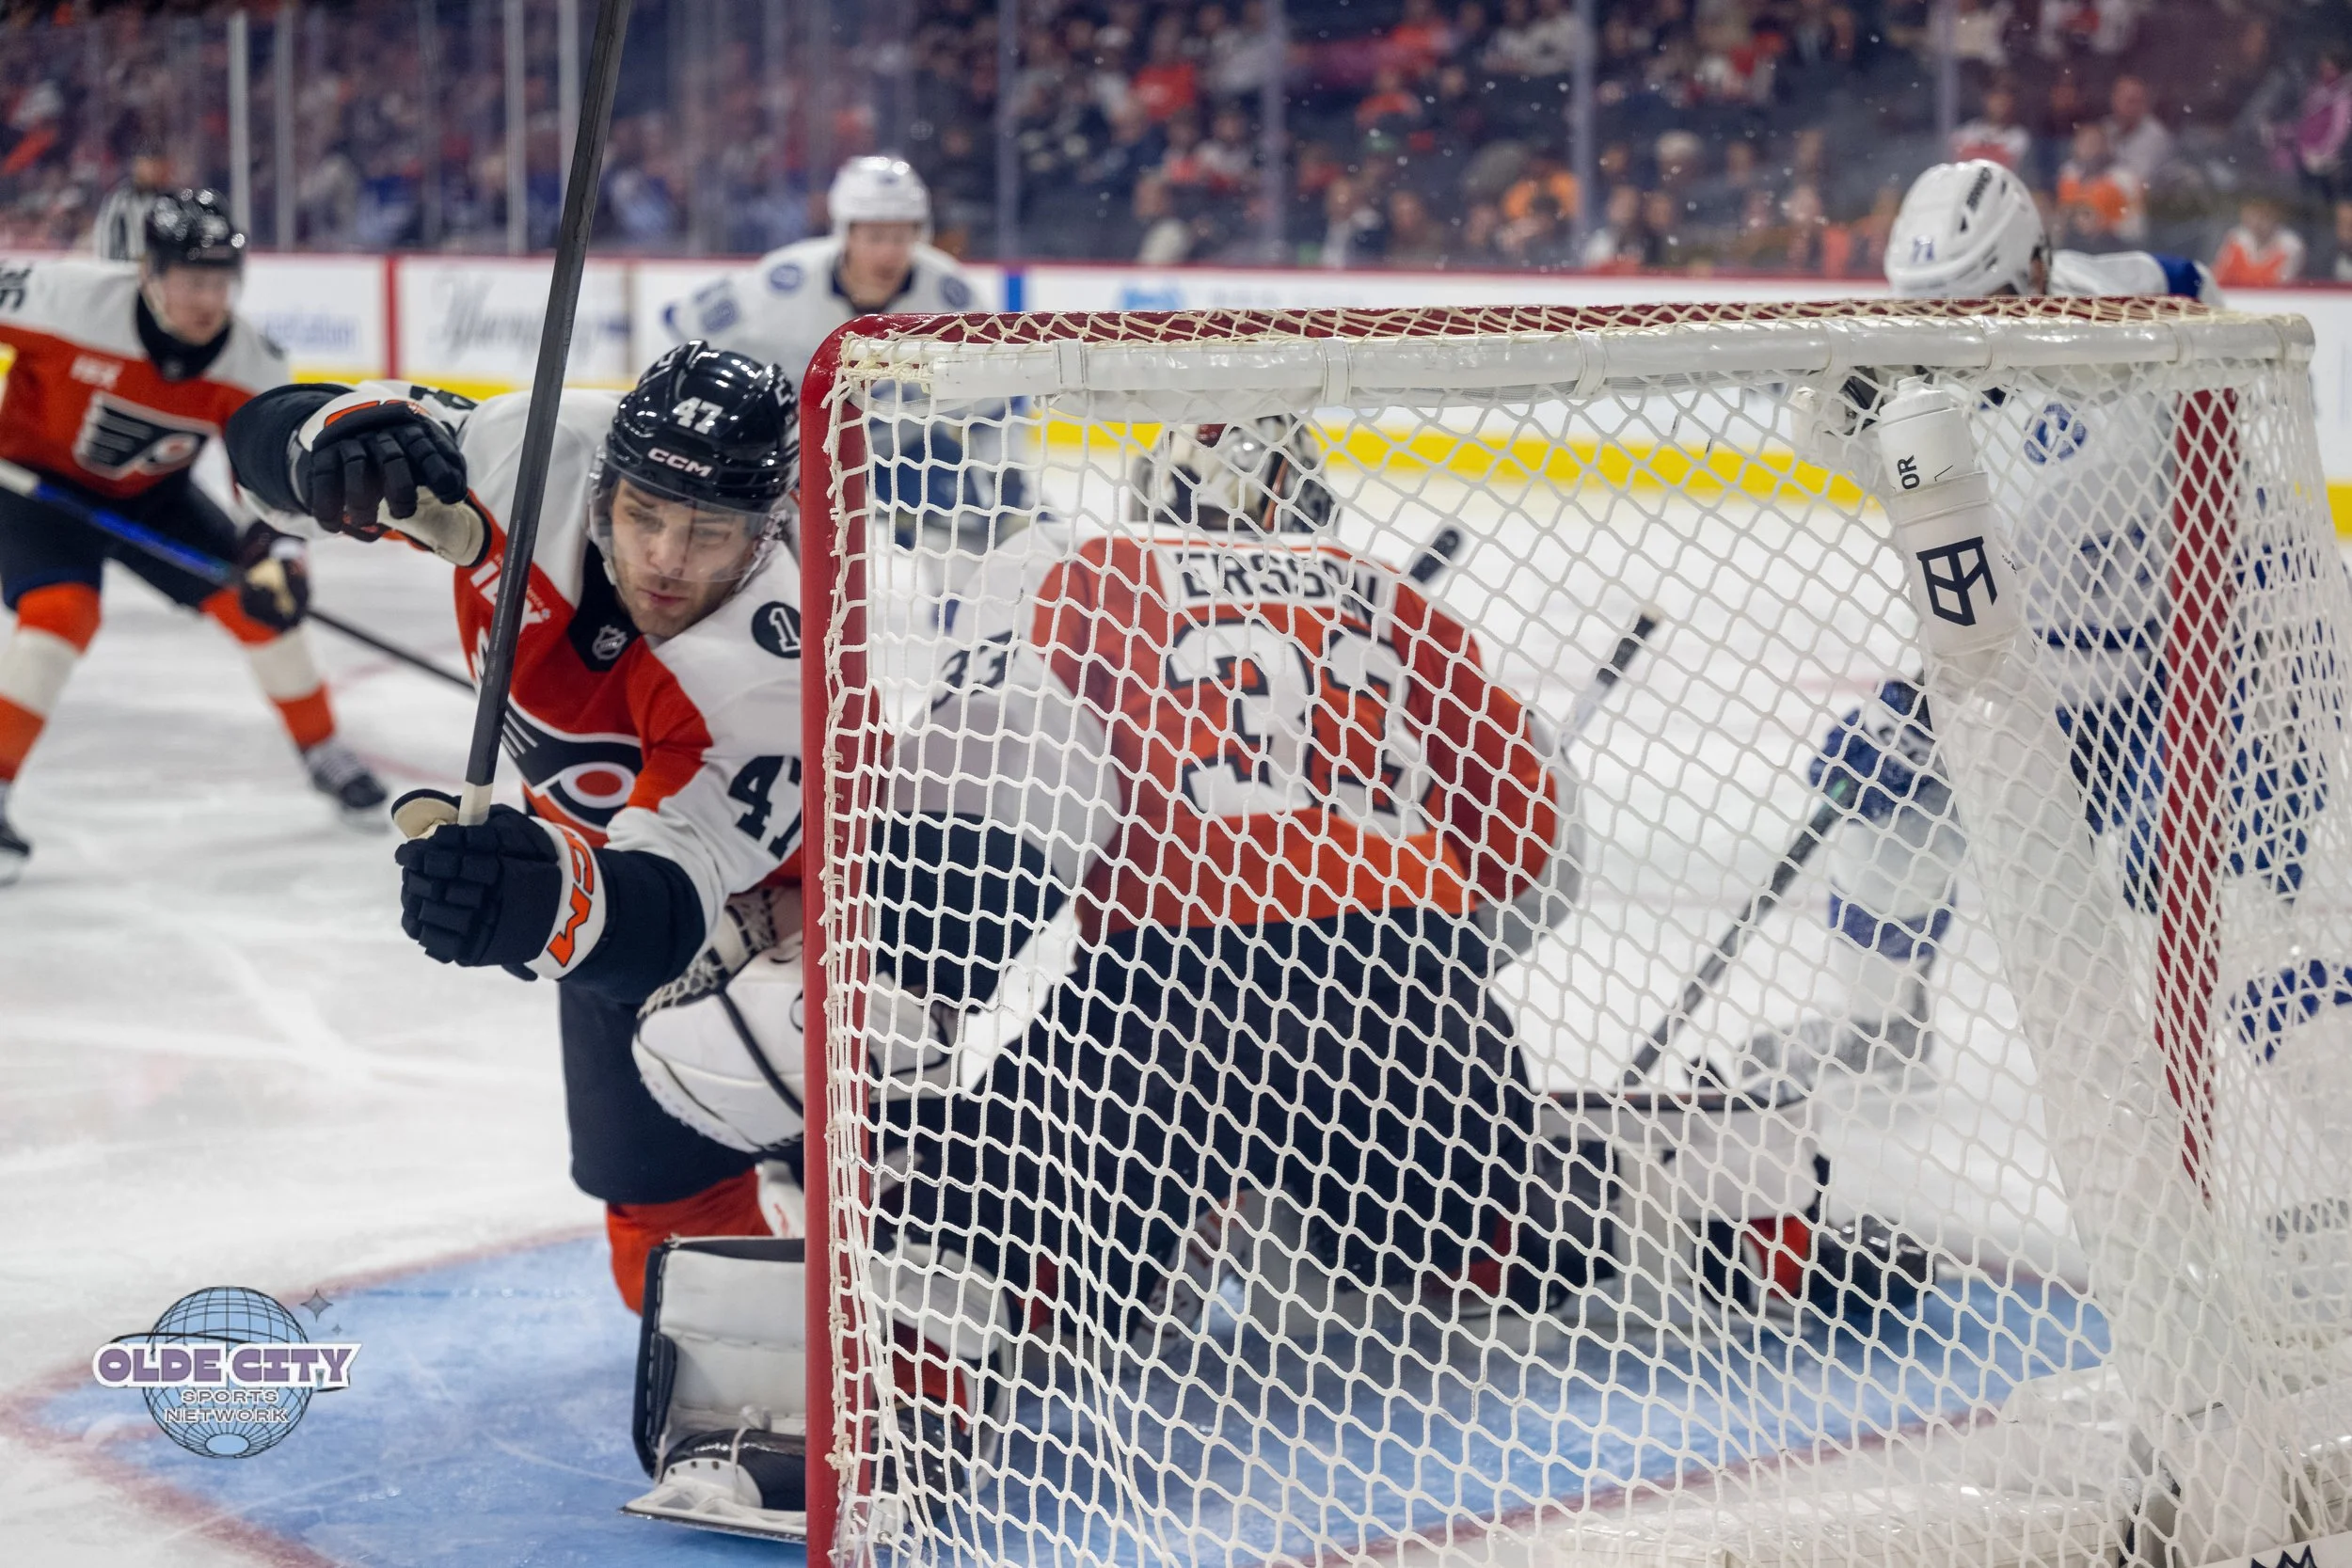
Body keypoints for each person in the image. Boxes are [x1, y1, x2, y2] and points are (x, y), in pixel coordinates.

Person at [219, 342, 804, 1311]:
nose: (664, 558)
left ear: (764, 532)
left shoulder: (763, 663)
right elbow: (257, 446)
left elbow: (665, 912)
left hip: (805, 899)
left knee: (846, 1151)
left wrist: (542, 902)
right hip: (620, 871)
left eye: (707, 533)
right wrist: (328, 447)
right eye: (644, 513)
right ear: (606, 480)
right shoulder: (526, 457)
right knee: (660, 1233)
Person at [1757, 158, 2256, 1085]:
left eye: (1968, 303)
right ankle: (1878, 1033)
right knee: (1887, 823)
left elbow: (2193, 294)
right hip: (2004, 678)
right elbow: (1933, 537)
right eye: (1922, 310)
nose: (1940, 335)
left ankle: (2213, 1092)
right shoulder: (1904, 375)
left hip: (2158, 689)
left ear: (2034, 267)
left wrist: (2202, 719)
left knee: (2196, 903)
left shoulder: (2124, 316)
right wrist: (1917, 695)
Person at [0, 190, 384, 884]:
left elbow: (271, 478)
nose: (206, 299)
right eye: (190, 281)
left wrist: (282, 554)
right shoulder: (65, 300)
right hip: (33, 487)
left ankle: (324, 751)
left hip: (154, 497)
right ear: (149, 274)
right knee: (60, 615)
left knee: (261, 607)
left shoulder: (251, 362)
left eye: (219, 283)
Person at [658, 157, 980, 387]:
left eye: (901, 236)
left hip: (899, 452)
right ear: (846, 234)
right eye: (875, 237)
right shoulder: (784, 282)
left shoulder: (949, 294)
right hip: (790, 447)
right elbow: (686, 324)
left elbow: (990, 392)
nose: (888, 252)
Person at [88, 150, 175, 261]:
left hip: (152, 268)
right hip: (123, 266)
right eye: (148, 165)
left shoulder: (166, 199)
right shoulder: (120, 199)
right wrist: (106, 263)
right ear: (137, 166)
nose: (152, 171)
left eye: (156, 166)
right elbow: (105, 232)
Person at [2212, 196, 2307, 286]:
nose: (2257, 223)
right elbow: (2219, 276)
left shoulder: (2290, 245)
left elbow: (2281, 283)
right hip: (2239, 297)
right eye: (2252, 217)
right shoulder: (2236, 238)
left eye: (2263, 217)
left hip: (2273, 300)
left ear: (2276, 217)